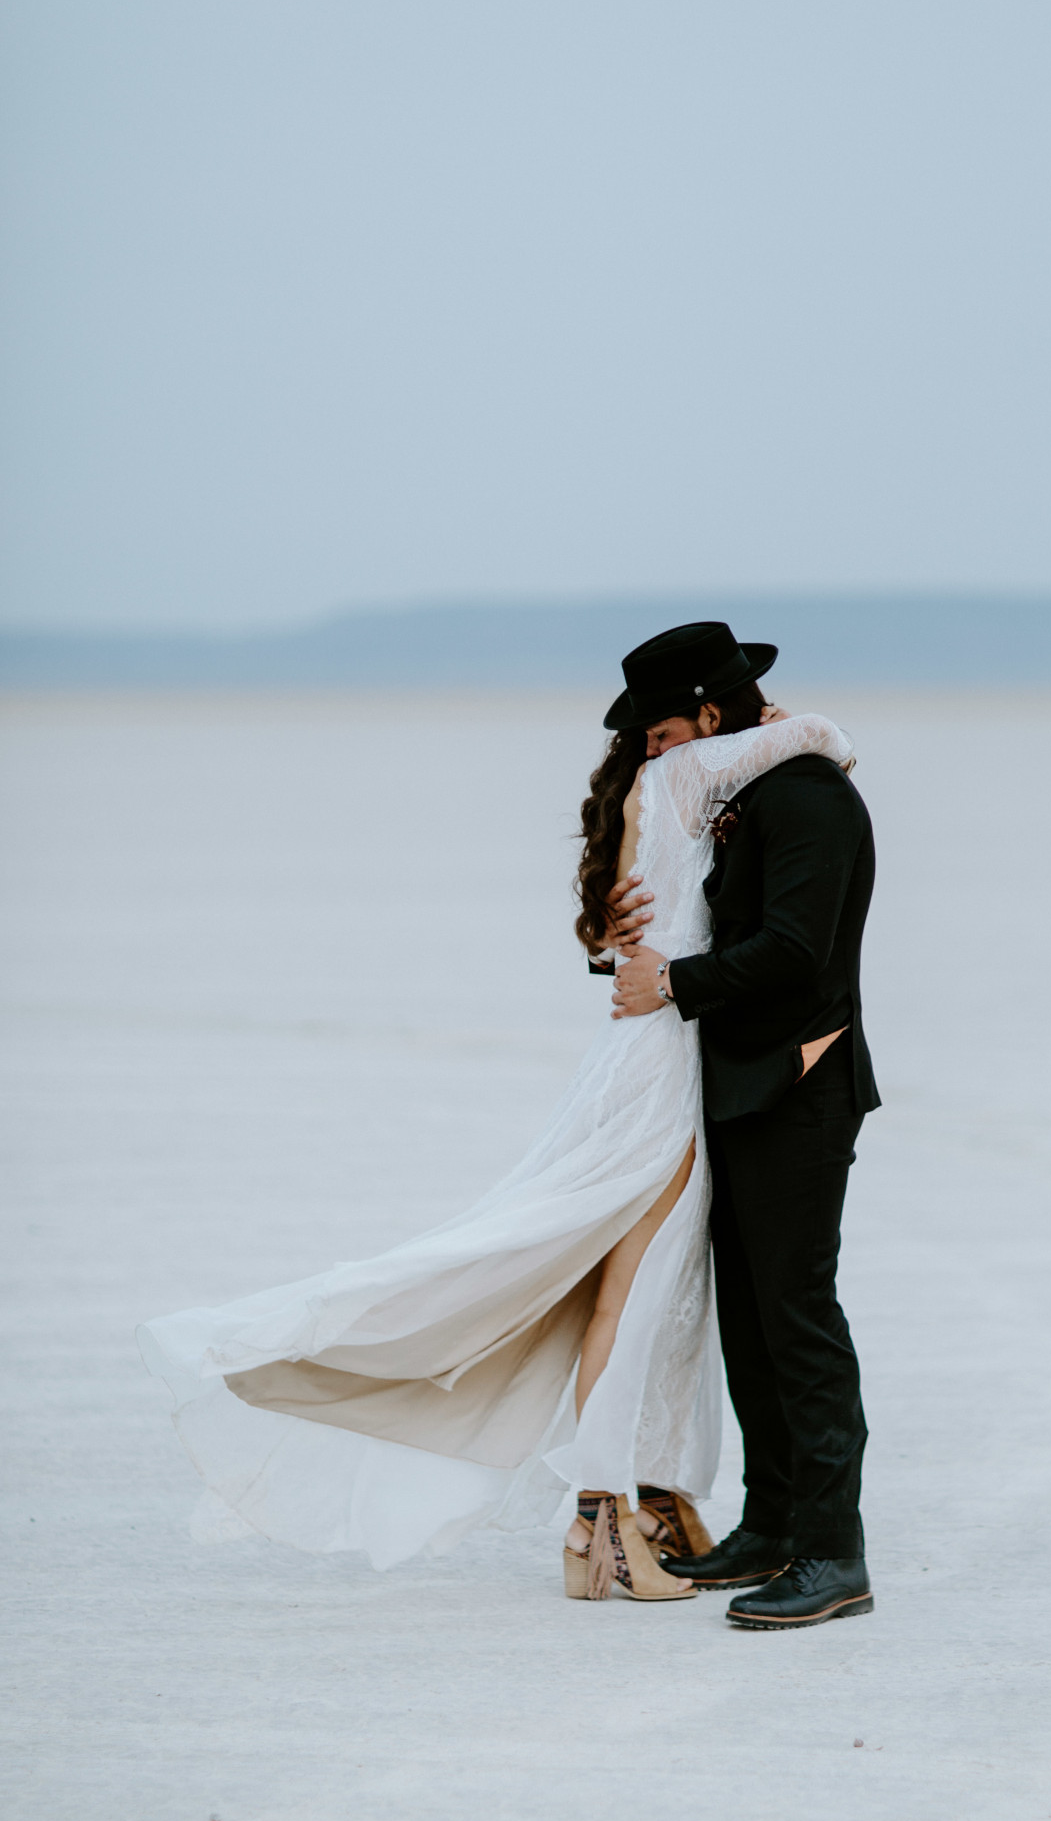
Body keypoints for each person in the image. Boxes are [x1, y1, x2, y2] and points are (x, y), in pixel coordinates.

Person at [137, 620, 853, 1606]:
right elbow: (777, 745)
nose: (660, 743)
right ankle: (606, 1514)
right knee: (635, 1297)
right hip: (662, 1061)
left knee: (654, 1295)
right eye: (653, 734)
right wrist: (807, 726)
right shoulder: (699, 774)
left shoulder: (685, 789)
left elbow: (665, 922)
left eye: (664, 725)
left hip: (664, 1054)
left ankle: (667, 1517)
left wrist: (631, 957)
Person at [607, 625, 880, 1630]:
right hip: (738, 1087)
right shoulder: (740, 797)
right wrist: (632, 952)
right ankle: (771, 1524)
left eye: (664, 730)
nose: (653, 752)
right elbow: (724, 933)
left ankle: (832, 1550)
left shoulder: (806, 795)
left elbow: (797, 953)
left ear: (712, 717)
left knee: (798, 1318)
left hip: (801, 1087)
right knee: (751, 1320)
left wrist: (672, 983)